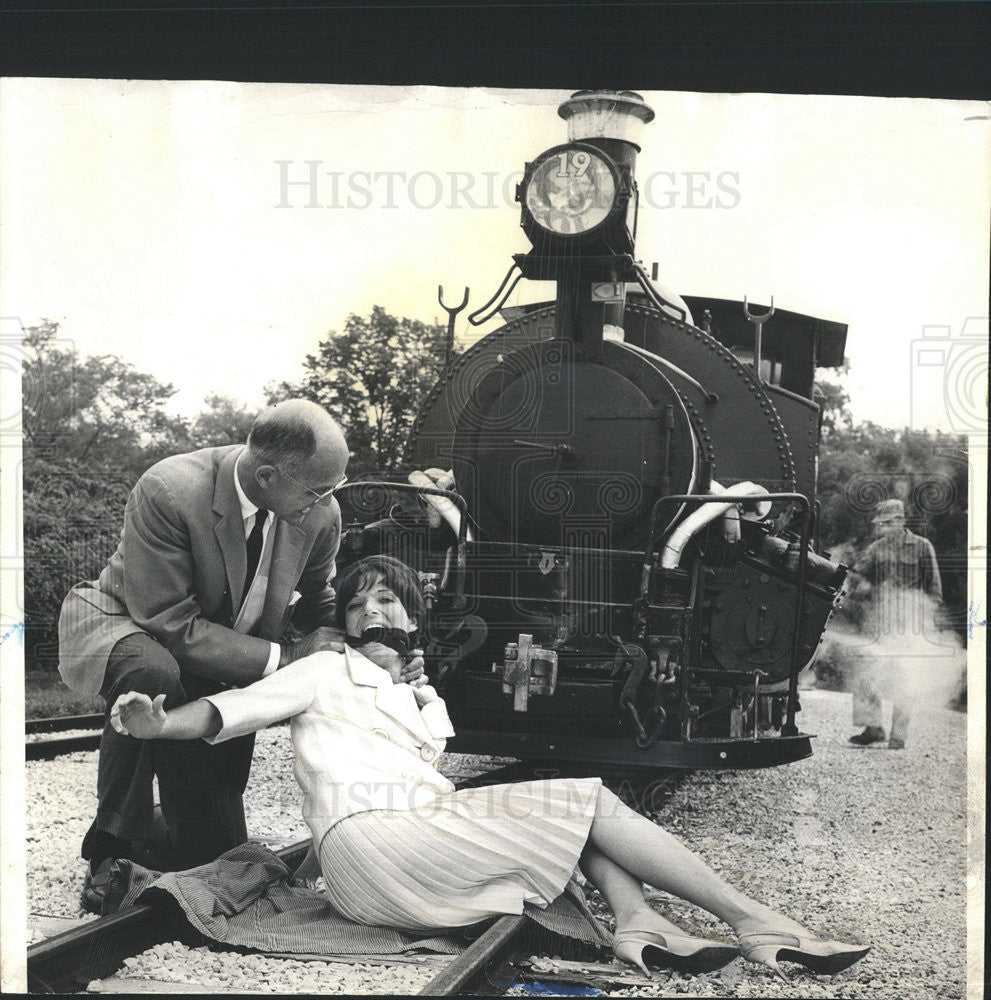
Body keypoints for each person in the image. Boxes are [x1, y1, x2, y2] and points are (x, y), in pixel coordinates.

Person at [112, 555, 870, 981]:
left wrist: (410, 694)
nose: (370, 612)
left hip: (396, 857)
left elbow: (425, 770)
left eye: (388, 600)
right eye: (355, 605)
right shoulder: (322, 671)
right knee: (592, 803)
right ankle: (754, 923)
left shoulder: (423, 698)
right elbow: (231, 709)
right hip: (371, 845)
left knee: (576, 812)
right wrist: (160, 722)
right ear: (341, 624)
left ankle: (638, 923)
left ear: (413, 619)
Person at [57, 399, 421, 913]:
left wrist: (375, 654)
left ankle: (159, 836)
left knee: (214, 854)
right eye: (320, 489)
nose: (328, 502)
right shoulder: (169, 489)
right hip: (128, 622)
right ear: (268, 476)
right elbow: (168, 621)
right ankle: (110, 847)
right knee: (151, 670)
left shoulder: (319, 511)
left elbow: (318, 600)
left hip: (225, 647)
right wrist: (288, 656)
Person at [848, 498, 943, 750]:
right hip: (878, 622)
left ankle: (898, 736)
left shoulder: (923, 547)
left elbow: (934, 589)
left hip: (909, 624)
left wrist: (925, 622)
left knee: (904, 677)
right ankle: (873, 727)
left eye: (886, 523)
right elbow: (856, 578)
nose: (881, 529)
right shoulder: (875, 549)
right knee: (866, 671)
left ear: (900, 521)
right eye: (880, 524)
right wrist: (860, 584)